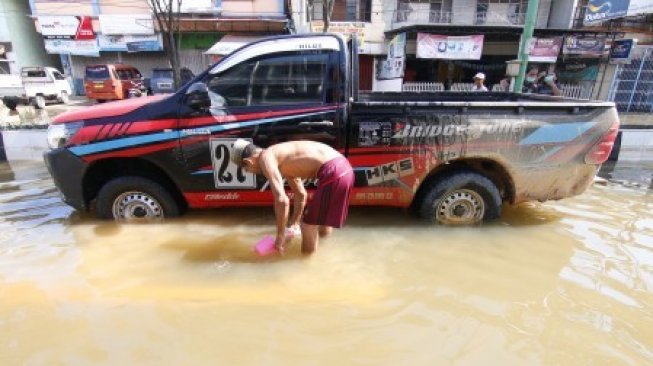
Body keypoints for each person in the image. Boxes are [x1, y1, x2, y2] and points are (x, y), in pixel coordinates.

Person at [231, 140, 354, 255]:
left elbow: (282, 200)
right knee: (322, 222)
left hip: (334, 172)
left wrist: (280, 237)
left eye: (245, 169)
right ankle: (324, 252)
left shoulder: (266, 158)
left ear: (248, 162)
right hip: (344, 168)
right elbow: (301, 194)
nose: (248, 172)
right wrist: (294, 224)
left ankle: (306, 267)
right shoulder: (282, 158)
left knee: (307, 226)